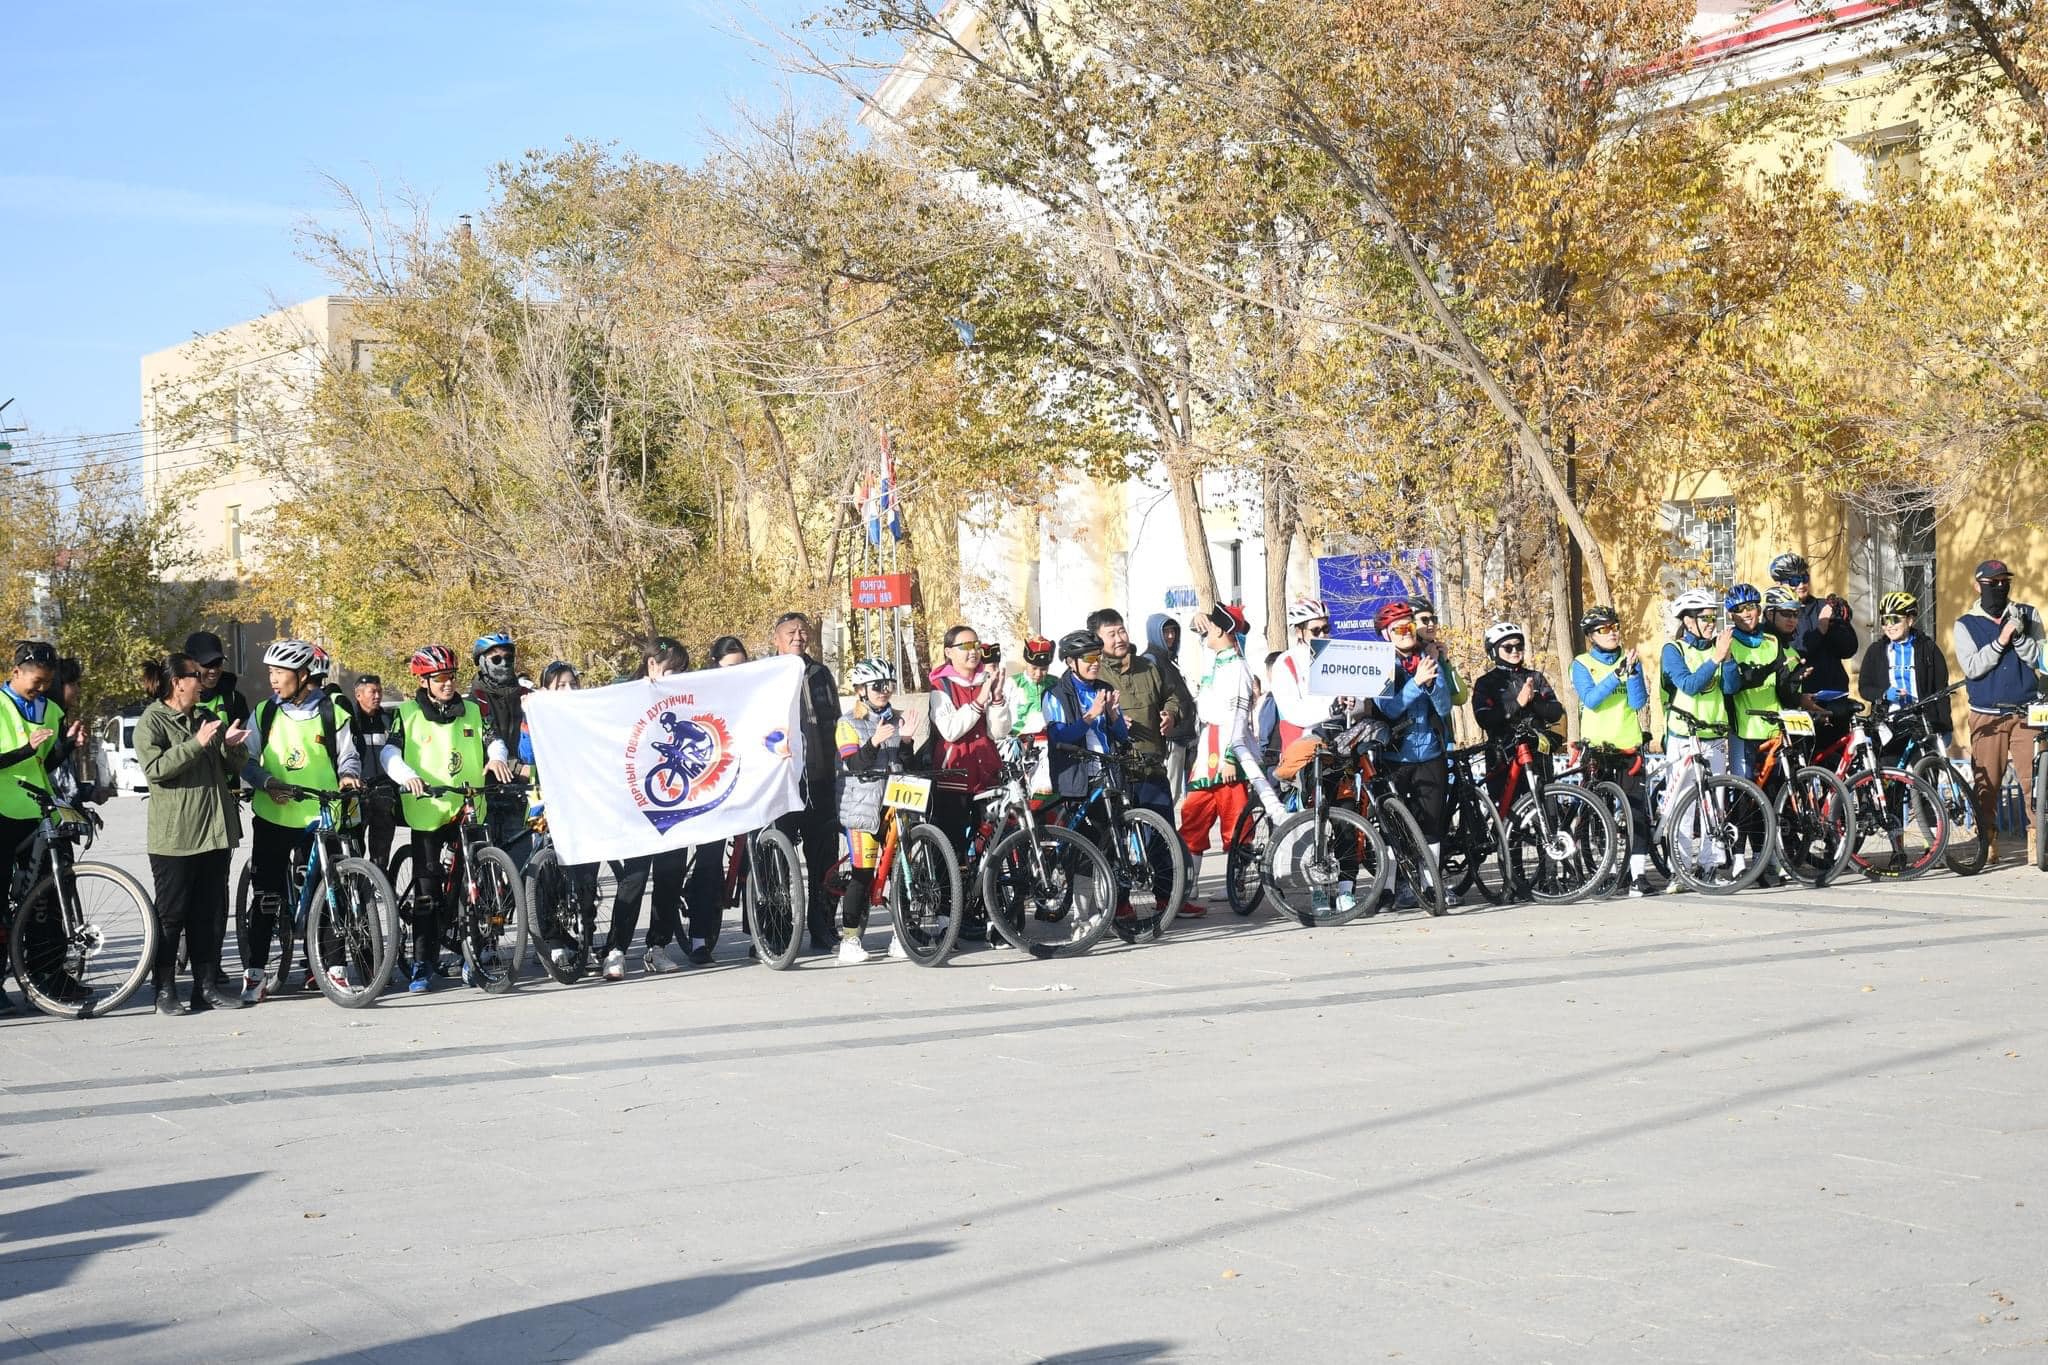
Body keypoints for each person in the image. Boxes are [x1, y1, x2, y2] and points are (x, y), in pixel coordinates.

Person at [380, 644, 515, 992]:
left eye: (450, 677)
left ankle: (472, 957)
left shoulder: (471, 709)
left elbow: (493, 739)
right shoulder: (407, 713)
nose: (447, 684)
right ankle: (422, 963)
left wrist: (496, 758)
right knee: (427, 892)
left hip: (467, 805)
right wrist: (406, 774)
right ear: (424, 682)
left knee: (471, 891)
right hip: (428, 809)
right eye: (439, 679)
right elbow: (390, 750)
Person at [239, 639, 363, 1001]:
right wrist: (266, 781)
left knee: (332, 892)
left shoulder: (333, 711)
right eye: (271, 673)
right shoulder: (264, 712)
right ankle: (256, 973)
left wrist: (348, 777)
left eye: (280, 672)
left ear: (303, 674)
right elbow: (244, 761)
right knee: (266, 896)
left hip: (322, 815)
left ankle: (334, 969)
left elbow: (348, 757)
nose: (273, 679)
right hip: (274, 817)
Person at [135, 653, 248, 1013]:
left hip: (214, 831)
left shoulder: (207, 718)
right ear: (177, 682)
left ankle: (206, 986)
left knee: (209, 914)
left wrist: (232, 746)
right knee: (171, 916)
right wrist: (196, 743)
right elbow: (155, 770)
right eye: (196, 676)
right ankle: (164, 989)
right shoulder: (151, 722)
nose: (202, 682)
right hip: (176, 837)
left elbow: (233, 766)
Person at [602, 636, 697, 980]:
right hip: (637, 803)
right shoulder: (624, 694)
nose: (678, 676)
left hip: (675, 799)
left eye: (683, 670)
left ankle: (658, 946)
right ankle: (616, 949)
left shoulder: (684, 699)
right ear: (653, 664)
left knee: (671, 877)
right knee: (634, 879)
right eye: (673, 669)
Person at [0, 642, 86, 1014]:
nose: (41, 689)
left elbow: (44, 763)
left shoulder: (50, 709)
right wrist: (23, 750)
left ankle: (46, 978)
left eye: (47, 683)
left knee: (43, 902)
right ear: (16, 671)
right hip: (2, 815)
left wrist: (67, 747)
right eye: (36, 681)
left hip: (38, 813)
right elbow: (23, 756)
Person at [1092, 608, 1189, 915]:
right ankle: (1119, 904)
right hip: (1116, 768)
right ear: (1098, 639)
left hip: (1151, 763)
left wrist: (1170, 714)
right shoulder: (1096, 673)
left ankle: (1168, 898)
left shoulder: (1149, 666)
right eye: (1112, 634)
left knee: (1163, 834)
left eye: (1122, 631)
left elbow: (1175, 697)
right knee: (1115, 839)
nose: (1120, 638)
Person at [1952, 559, 2048, 863]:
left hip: (2026, 711)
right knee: (1987, 783)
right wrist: (2001, 639)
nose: (2000, 587)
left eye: (2005, 581)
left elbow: (2041, 659)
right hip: (1986, 714)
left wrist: (2018, 636)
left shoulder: (2028, 614)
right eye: (1992, 583)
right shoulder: (1965, 623)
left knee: (2035, 781)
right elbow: (1972, 667)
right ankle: (1987, 842)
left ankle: (2039, 842)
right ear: (1978, 585)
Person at [1371, 600, 1454, 906]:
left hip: (1430, 754)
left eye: (1410, 626)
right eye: (1399, 628)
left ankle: (1431, 885)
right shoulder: (1382, 663)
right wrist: (1416, 683)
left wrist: (1431, 683)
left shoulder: (1426, 658)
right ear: (1386, 634)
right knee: (1394, 827)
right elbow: (1389, 708)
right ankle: (1389, 888)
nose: (1407, 632)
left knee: (1432, 824)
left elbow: (1445, 707)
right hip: (1395, 758)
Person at [1570, 606, 1656, 897]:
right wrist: (1617, 675)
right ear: (1592, 636)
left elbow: (1637, 702)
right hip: (1597, 748)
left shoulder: (1628, 659)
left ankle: (1638, 876)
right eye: (1604, 629)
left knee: (1636, 812)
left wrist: (1632, 674)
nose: (1613, 632)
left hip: (1628, 745)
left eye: (1615, 626)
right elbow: (1591, 699)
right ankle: (1603, 872)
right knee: (1599, 815)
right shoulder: (1581, 663)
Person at [770, 612, 842, 953]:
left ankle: (824, 927)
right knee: (777, 862)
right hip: (783, 783)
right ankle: (777, 930)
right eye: (790, 632)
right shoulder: (766, 676)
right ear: (777, 640)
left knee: (825, 862)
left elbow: (838, 723)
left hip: (821, 779)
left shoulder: (821, 673)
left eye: (802, 631)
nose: (798, 637)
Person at [677, 642, 752, 965]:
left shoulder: (755, 690)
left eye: (741, 666)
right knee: (709, 863)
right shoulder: (701, 692)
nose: (736, 673)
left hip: (749, 783)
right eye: (729, 666)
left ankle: (762, 934)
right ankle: (698, 939)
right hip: (711, 786)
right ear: (714, 665)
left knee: (753, 859)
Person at [832, 658, 910, 963]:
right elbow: (853, 764)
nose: (884, 691)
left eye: (888, 685)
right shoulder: (847, 722)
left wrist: (907, 742)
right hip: (862, 805)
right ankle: (850, 939)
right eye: (877, 686)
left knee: (899, 873)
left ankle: (900, 935)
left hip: (894, 804)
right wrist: (875, 742)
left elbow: (904, 764)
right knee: (862, 875)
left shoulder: (898, 719)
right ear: (862, 689)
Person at [1177, 604, 1256, 899]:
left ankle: (1238, 885)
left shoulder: (1236, 667)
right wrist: (1198, 624)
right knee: (1193, 815)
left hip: (1226, 754)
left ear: (1222, 630)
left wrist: (1231, 756)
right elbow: (1196, 652)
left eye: (1211, 627)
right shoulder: (1217, 660)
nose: (1205, 633)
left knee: (1236, 823)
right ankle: (1189, 886)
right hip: (1206, 753)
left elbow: (1237, 714)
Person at [928, 623, 1013, 839]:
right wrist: (979, 701)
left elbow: (999, 732)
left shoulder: (987, 680)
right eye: (965, 646)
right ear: (949, 652)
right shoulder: (941, 686)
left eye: (975, 645)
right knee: (952, 845)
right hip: (953, 778)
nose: (973, 651)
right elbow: (950, 731)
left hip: (987, 774)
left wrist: (997, 699)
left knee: (991, 842)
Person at [1470, 621, 1564, 807]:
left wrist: (1534, 701)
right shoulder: (1485, 683)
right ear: (1495, 651)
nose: (1515, 651)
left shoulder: (1535, 677)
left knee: (1547, 812)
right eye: (1508, 647)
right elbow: (1485, 719)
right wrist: (1518, 703)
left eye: (1519, 646)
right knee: (1510, 814)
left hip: (1537, 752)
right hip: (1502, 755)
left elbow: (1555, 712)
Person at [1727, 583, 1808, 783]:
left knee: (1778, 789)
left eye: (1751, 607)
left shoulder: (1772, 641)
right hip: (1743, 731)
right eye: (1738, 609)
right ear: (1730, 615)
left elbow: (1782, 688)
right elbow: (1735, 684)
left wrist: (1795, 679)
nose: (1746, 613)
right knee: (1745, 794)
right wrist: (1769, 669)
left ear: (1759, 610)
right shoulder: (1726, 642)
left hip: (1773, 729)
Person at [1859, 591, 1952, 762]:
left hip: (1922, 721)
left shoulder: (1928, 648)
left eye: (1895, 619)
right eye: (1884, 620)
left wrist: (1945, 727)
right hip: (1889, 723)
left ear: (1910, 620)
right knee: (1891, 779)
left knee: (1926, 776)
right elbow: (1865, 687)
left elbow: (1941, 690)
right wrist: (1884, 694)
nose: (1889, 626)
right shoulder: (1876, 650)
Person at [469, 632, 533, 870]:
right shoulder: (472, 702)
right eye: (496, 659)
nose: (505, 663)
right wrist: (517, 766)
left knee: (525, 866)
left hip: (520, 790)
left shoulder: (527, 696)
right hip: (485, 790)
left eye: (509, 657)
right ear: (482, 662)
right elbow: (484, 743)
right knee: (483, 872)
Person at [1770, 552, 1858, 696]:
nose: (1801, 585)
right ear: (1779, 584)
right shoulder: (1775, 615)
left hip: (1833, 691)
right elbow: (1795, 652)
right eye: (1793, 581)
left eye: (1804, 578)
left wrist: (1841, 623)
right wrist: (1821, 629)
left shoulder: (1823, 606)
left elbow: (1849, 650)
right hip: (1799, 695)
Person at [1268, 599, 1334, 748]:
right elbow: (1294, 712)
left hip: (1340, 744)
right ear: (1299, 632)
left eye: (1326, 628)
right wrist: (1331, 709)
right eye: (1315, 631)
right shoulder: (1286, 663)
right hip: (1303, 751)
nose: (1322, 635)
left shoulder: (1338, 656)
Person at [1144, 614, 1197, 798]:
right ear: (1154, 633)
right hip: (1170, 738)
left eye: (1172, 631)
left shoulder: (1168, 660)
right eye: (1165, 632)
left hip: (1182, 735)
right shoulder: (1151, 661)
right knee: (1170, 793)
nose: (1170, 636)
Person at [350, 673, 397, 869]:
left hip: (383, 792)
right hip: (357, 792)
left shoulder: (388, 720)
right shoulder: (349, 721)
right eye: (372, 692)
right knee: (355, 845)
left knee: (381, 848)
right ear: (358, 695)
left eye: (379, 691)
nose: (377, 696)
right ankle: (358, 888)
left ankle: (381, 885)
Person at [1411, 596, 1470, 708]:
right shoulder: (1406, 656)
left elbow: (1460, 697)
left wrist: (1445, 661)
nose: (1431, 624)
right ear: (1411, 625)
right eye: (1425, 620)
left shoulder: (1438, 651)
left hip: (1440, 724)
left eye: (1434, 619)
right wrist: (1431, 660)